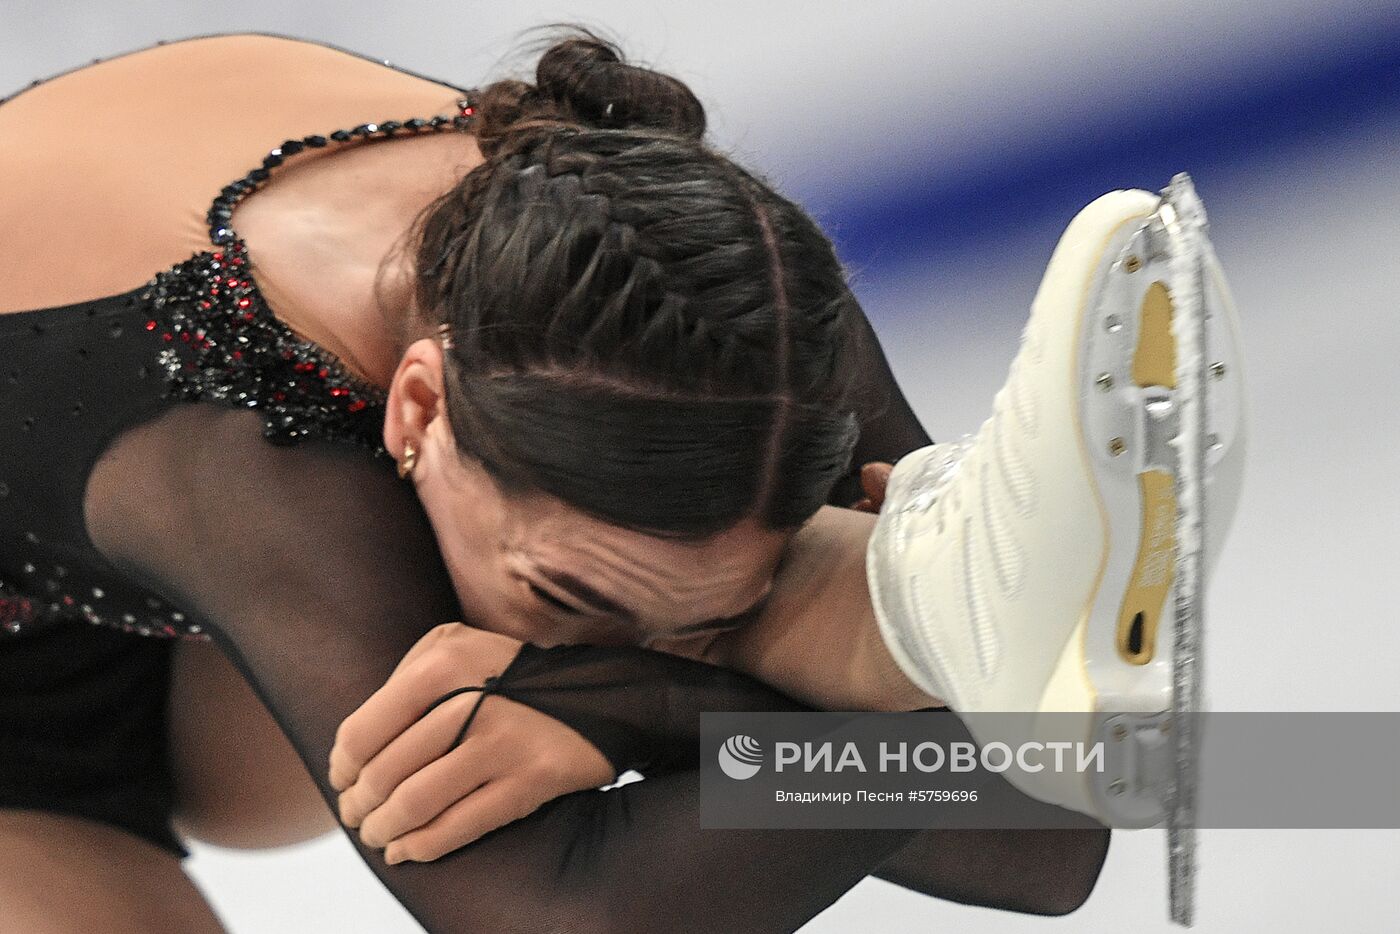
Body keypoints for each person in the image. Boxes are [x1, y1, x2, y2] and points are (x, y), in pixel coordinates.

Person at [0, 27, 1243, 934]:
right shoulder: (240, 445)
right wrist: (668, 698)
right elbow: (562, 916)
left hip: (163, 588)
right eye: (568, 596)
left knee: (804, 614)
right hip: (63, 646)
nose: (624, 643)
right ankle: (872, 608)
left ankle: (905, 601)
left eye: (693, 612)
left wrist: (645, 692)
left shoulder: (717, 312)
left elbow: (1046, 839)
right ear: (417, 403)